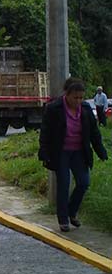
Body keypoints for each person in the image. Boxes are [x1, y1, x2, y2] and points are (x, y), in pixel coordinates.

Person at [38, 77, 107, 232]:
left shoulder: (86, 109)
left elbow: (94, 133)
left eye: (81, 98)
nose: (78, 101)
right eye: (75, 97)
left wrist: (100, 150)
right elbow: (46, 132)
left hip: (79, 152)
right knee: (63, 184)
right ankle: (63, 219)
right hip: (61, 151)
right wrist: (44, 151)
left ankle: (72, 211)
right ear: (66, 95)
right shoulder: (54, 109)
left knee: (84, 182)